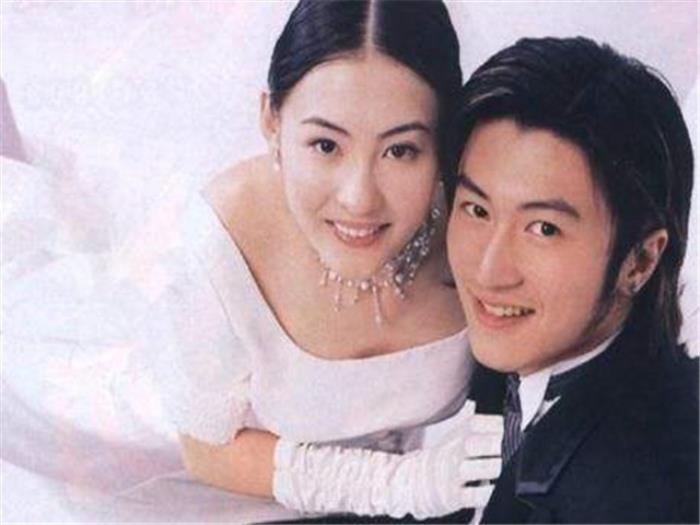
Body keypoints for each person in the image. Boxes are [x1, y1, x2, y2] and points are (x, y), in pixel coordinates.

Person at [150, 0, 502, 520]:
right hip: (254, 498)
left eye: (401, 150)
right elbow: (205, 450)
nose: (359, 198)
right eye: (325, 145)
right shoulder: (225, 239)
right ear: (271, 122)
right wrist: (398, 484)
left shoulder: (478, 226)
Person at [445, 36, 698, 522]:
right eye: (477, 209)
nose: (487, 271)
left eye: (543, 229)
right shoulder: (514, 356)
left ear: (640, 261)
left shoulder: (636, 494)